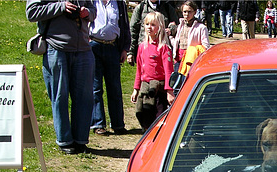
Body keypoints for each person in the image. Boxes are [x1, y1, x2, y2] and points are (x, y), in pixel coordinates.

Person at [26, 0, 97, 155]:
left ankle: (80, 140)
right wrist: (60, 7)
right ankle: (65, 140)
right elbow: (31, 12)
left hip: (83, 49)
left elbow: (93, 10)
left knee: (85, 98)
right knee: (60, 96)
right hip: (57, 48)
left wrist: (87, 13)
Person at [89, 0, 130, 136]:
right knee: (96, 87)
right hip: (94, 45)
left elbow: (124, 26)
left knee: (115, 87)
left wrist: (124, 48)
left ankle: (118, 124)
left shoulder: (118, 3)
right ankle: (98, 123)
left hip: (113, 47)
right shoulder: (92, 2)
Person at [131, 12, 175, 131]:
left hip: (158, 89)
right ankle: (147, 133)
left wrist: (169, 91)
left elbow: (169, 71)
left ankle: (156, 138)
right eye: (147, 24)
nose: (149, 27)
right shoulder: (142, 47)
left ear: (159, 27)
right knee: (141, 112)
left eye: (153, 25)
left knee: (158, 117)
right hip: (145, 86)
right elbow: (139, 69)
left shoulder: (164, 48)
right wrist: (136, 89)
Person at [127, 0, 179, 66]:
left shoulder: (167, 7)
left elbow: (177, 26)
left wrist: (171, 29)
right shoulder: (141, 7)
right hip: (145, 49)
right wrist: (130, 52)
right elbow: (133, 30)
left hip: (162, 49)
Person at [172, 1, 210, 66]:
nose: (187, 14)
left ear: (195, 12)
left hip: (191, 60)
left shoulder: (201, 28)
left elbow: (206, 46)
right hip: (178, 59)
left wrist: (194, 52)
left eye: (189, 12)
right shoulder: (180, 26)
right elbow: (177, 41)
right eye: (185, 12)